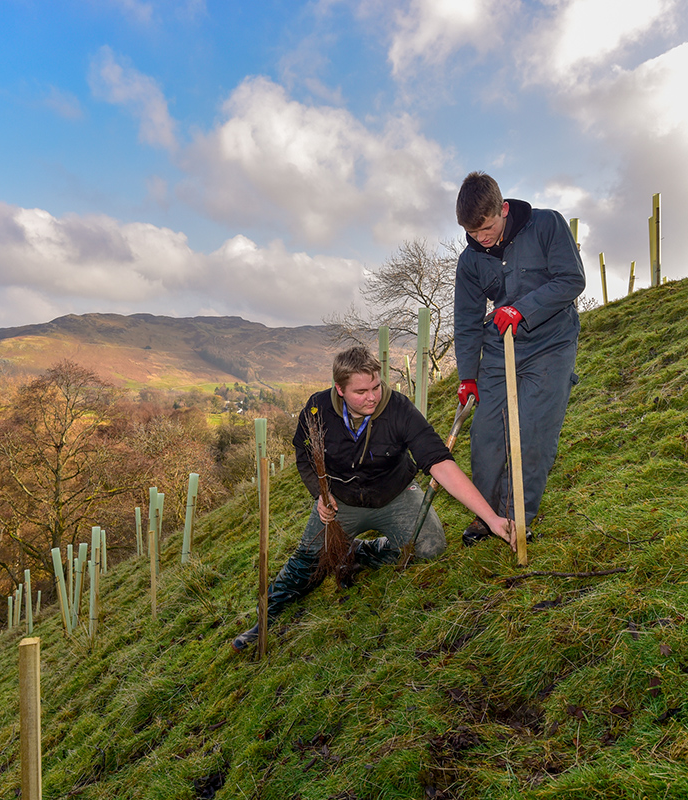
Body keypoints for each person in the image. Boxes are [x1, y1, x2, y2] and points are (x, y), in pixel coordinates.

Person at [232, 346, 515, 652]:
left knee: (431, 548)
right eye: (361, 391)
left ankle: (359, 553)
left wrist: (492, 518)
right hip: (341, 502)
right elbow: (304, 456)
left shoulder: (399, 410)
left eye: (377, 387)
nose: (372, 397)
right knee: (309, 563)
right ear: (339, 389)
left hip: (394, 495)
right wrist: (321, 494)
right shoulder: (316, 410)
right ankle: (266, 618)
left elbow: (441, 463)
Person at [453, 171, 585, 546]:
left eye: (488, 228)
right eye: (473, 233)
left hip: (551, 344)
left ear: (504, 209)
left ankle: (515, 520)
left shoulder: (547, 224)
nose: (482, 238)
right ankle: (487, 517)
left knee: (532, 433)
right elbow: (465, 319)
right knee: (486, 435)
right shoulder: (470, 261)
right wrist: (468, 376)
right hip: (499, 347)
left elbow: (572, 279)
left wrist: (522, 309)